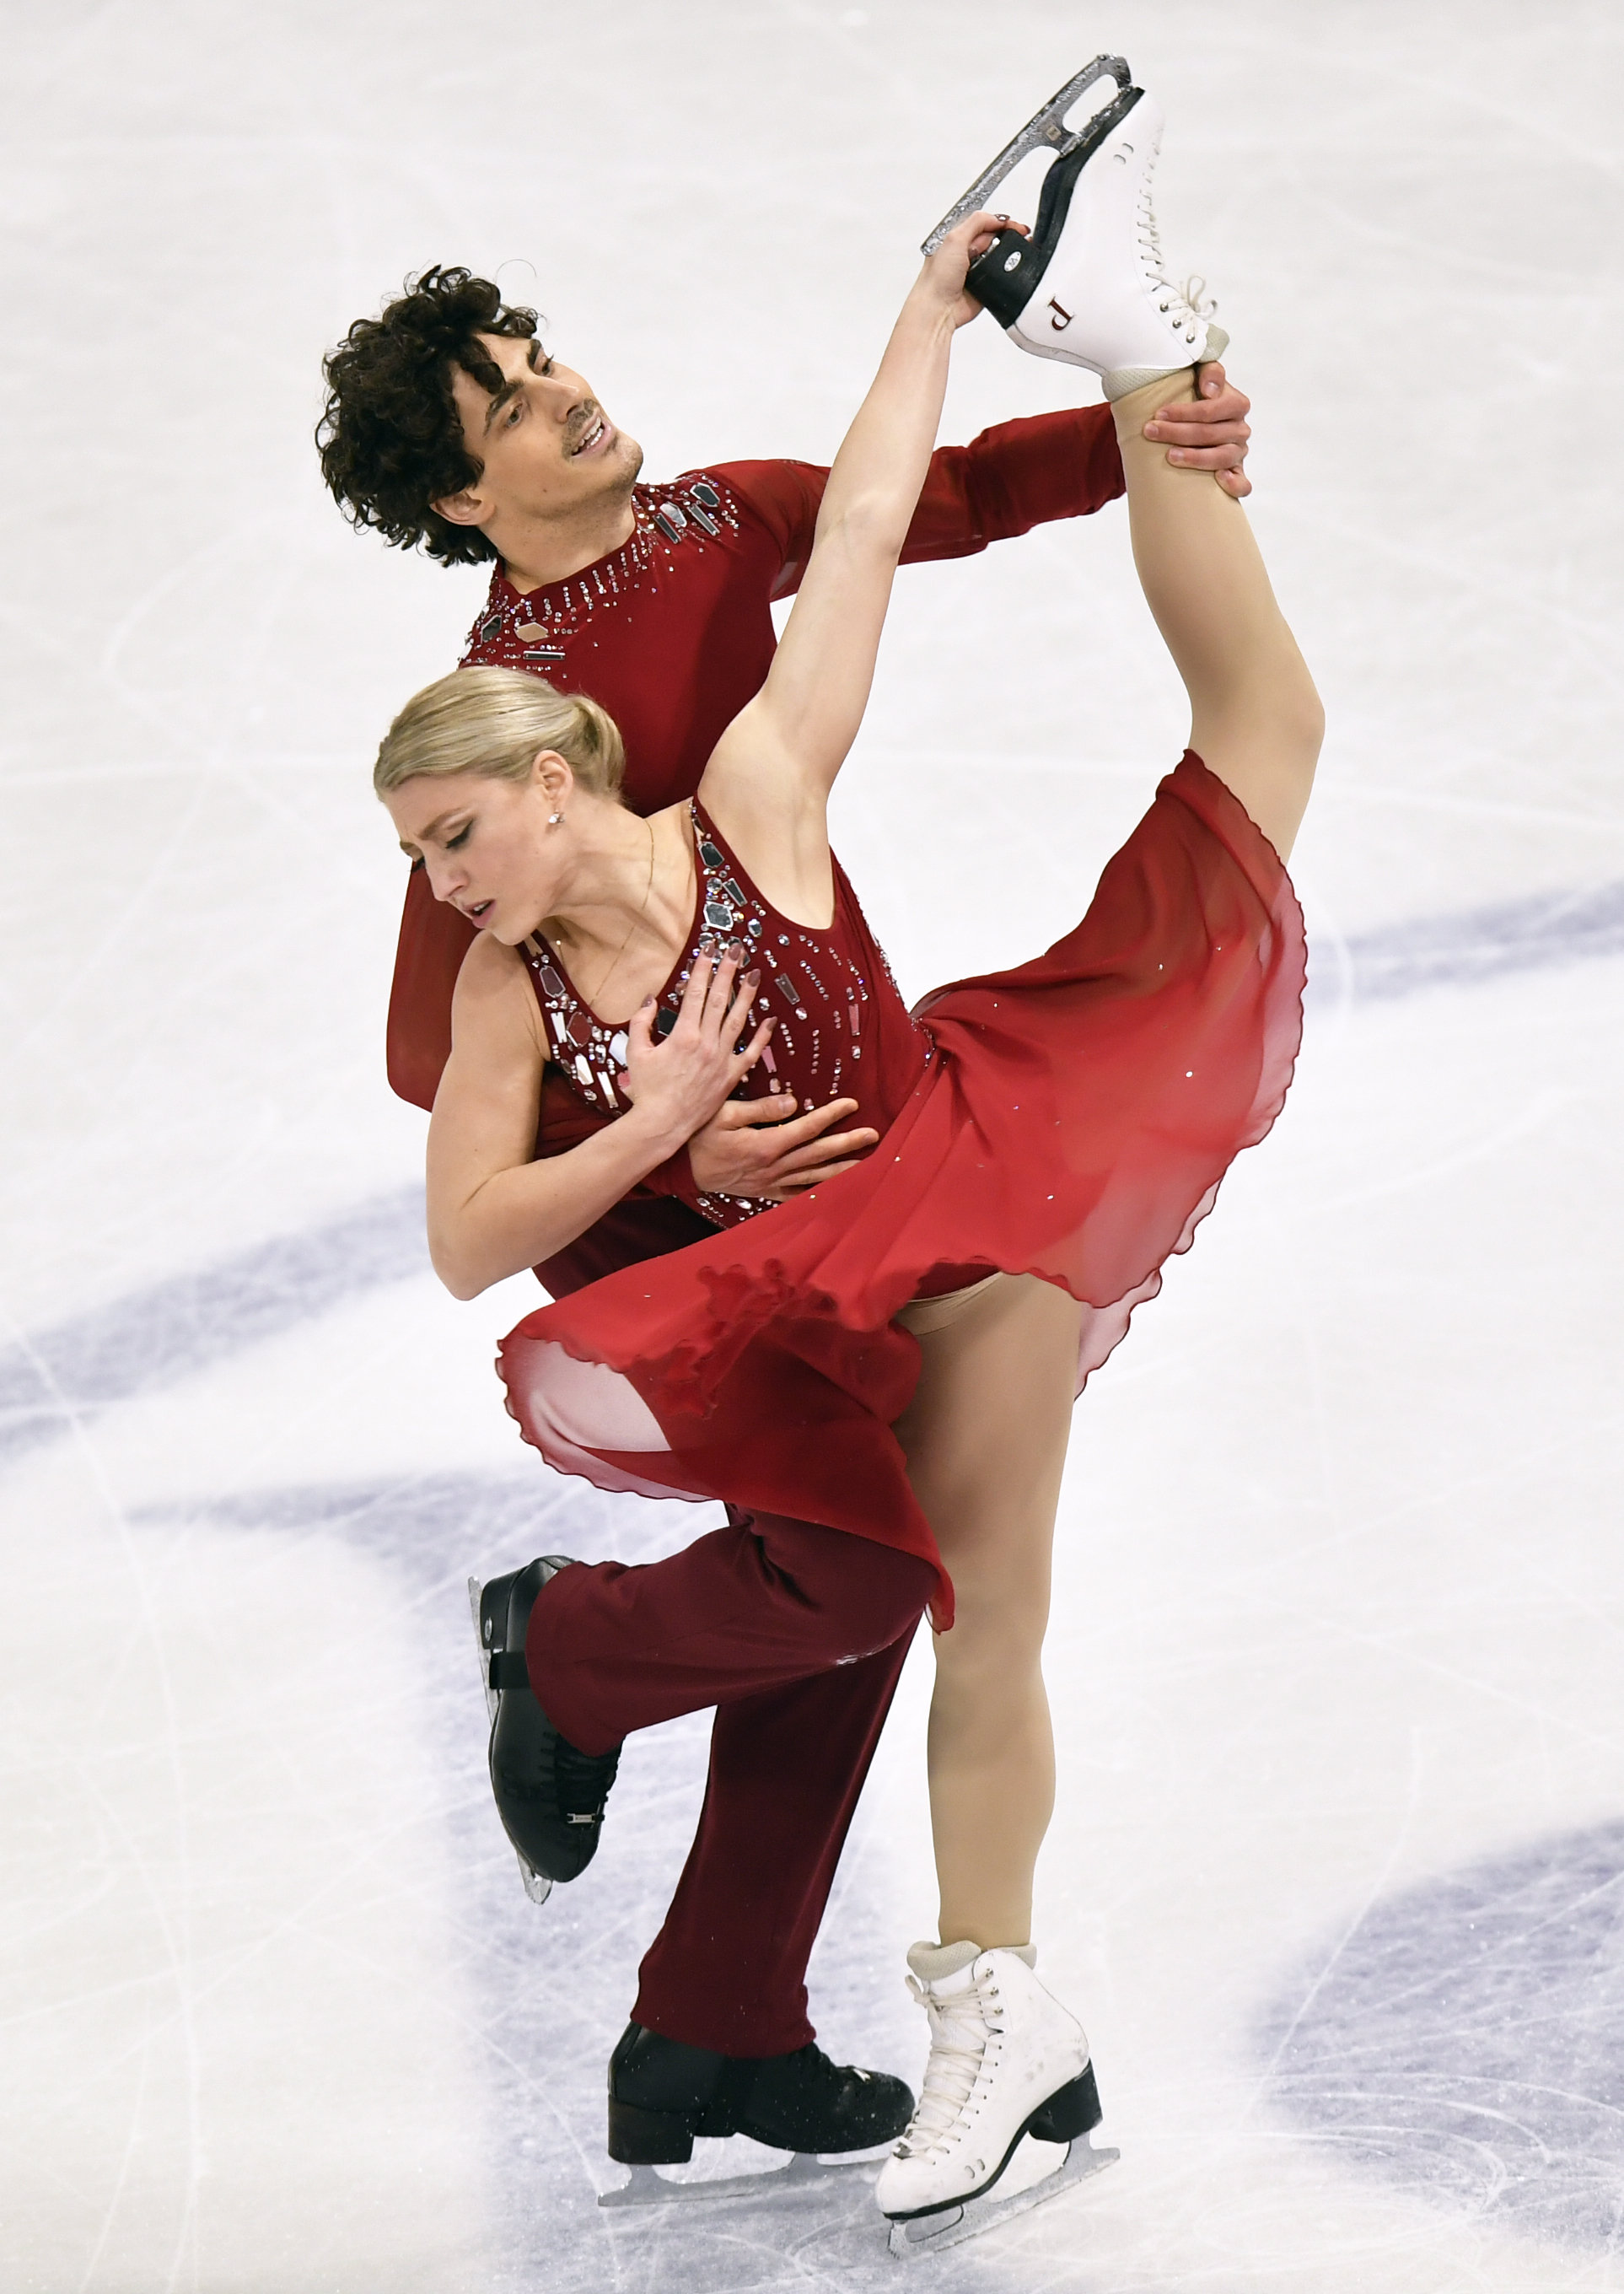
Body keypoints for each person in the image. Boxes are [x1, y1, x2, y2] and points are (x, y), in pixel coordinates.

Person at [374, 79, 1319, 2231]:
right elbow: (453, 1072)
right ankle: (580, 1666)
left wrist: (1146, 429)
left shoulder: (712, 546)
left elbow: (910, 506)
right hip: (666, 1214)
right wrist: (673, 1138)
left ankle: (717, 2014)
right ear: (463, 497)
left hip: (862, 1141)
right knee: (869, 1569)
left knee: (879, 1583)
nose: (567, 391)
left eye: (544, 355)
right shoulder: (493, 758)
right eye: (512, 403)